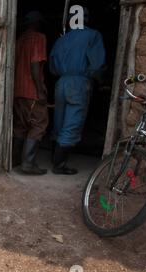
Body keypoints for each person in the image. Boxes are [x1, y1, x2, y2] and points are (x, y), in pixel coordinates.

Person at [50, 8, 106, 175]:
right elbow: (97, 66)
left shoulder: (61, 39)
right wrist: (101, 82)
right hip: (79, 82)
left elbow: (52, 68)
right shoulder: (93, 36)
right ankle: (59, 165)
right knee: (72, 122)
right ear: (86, 19)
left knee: (59, 120)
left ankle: (54, 157)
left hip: (61, 82)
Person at [12, 11, 49, 175]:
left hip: (17, 91)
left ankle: (16, 160)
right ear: (37, 23)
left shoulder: (19, 40)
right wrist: (40, 91)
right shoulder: (38, 38)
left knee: (21, 126)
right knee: (39, 124)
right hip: (31, 91)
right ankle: (27, 163)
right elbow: (35, 65)